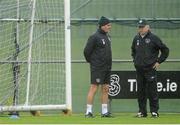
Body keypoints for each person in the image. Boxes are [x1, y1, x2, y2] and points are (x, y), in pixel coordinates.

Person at [131, 19, 169, 118]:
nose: (141, 29)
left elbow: (165, 50)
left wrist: (158, 61)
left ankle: (154, 111)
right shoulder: (136, 38)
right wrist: (135, 61)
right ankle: (142, 112)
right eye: (139, 27)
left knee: (152, 91)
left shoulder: (154, 38)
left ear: (148, 27)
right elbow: (133, 51)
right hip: (139, 70)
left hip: (150, 69)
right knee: (141, 91)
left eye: (142, 27)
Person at [84, 16, 112, 118]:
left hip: (107, 68)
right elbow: (86, 52)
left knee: (105, 88)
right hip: (97, 67)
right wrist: (93, 62)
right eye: (108, 25)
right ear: (102, 26)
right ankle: (88, 112)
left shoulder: (108, 37)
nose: (110, 27)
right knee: (94, 88)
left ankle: (104, 112)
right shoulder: (94, 37)